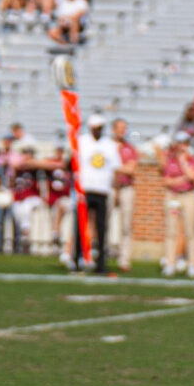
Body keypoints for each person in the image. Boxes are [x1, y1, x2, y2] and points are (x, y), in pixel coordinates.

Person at [75, 114, 122, 273]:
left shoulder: (109, 144)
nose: (98, 130)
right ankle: (78, 258)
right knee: (80, 227)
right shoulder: (81, 141)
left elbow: (115, 168)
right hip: (85, 188)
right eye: (96, 127)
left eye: (100, 127)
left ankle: (101, 263)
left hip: (103, 189)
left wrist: (115, 190)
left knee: (102, 228)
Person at [157, 131, 194, 277]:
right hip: (173, 196)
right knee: (171, 231)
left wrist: (182, 162)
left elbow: (193, 176)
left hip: (188, 195)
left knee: (191, 231)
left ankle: (192, 264)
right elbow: (166, 181)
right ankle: (170, 263)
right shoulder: (170, 160)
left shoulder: (192, 159)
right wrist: (181, 179)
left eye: (184, 143)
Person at [111, 118, 139, 272]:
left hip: (126, 187)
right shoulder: (106, 146)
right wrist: (122, 168)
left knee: (126, 226)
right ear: (113, 129)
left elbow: (131, 170)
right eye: (119, 127)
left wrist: (115, 167)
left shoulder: (130, 148)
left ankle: (124, 259)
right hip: (109, 187)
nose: (122, 130)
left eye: (124, 128)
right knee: (103, 223)